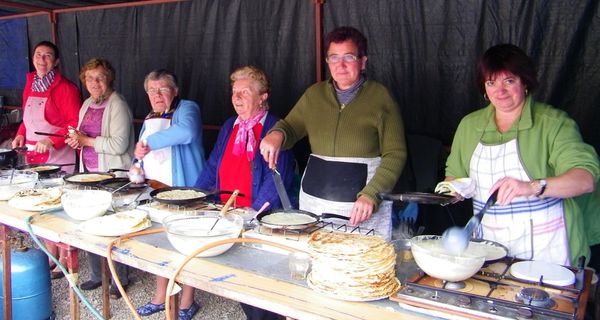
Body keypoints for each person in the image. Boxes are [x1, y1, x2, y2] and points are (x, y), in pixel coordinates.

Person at [443, 44, 600, 266]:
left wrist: (532, 187)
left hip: (549, 250)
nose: (500, 91)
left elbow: (585, 180)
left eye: (509, 81)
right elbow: (454, 177)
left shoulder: (554, 124)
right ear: (484, 89)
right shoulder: (469, 126)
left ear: (525, 83)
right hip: (489, 247)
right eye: (491, 83)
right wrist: (454, 190)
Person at [260, 26, 407, 241]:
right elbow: (290, 127)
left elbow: (395, 154)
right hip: (315, 202)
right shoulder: (314, 95)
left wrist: (371, 194)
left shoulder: (380, 98)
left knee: (363, 265)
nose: (341, 65)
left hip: (361, 206)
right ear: (327, 62)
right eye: (334, 57)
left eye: (349, 56)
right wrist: (277, 134)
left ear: (363, 61)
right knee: (318, 260)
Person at [195, 65, 294, 320]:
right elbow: (213, 164)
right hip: (229, 214)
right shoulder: (231, 125)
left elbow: (278, 175)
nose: (237, 98)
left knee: (263, 286)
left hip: (257, 219)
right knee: (240, 283)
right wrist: (195, 196)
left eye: (245, 92)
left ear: (263, 97)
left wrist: (252, 213)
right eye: (234, 92)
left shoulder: (276, 128)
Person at [135, 69, 205, 320]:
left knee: (187, 244)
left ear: (175, 91)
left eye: (163, 89)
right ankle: (160, 297)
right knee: (160, 243)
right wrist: (136, 164)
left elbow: (186, 132)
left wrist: (147, 145)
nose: (157, 94)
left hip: (185, 190)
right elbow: (141, 149)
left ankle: (187, 302)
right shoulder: (150, 117)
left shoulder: (187, 108)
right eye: (152, 90)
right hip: (156, 189)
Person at [65, 58, 134, 299]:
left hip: (113, 176)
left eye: (100, 77)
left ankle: (120, 279)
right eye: (90, 78)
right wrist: (76, 138)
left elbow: (119, 145)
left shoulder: (118, 104)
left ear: (109, 79)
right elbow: (85, 136)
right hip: (90, 174)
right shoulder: (86, 104)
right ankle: (97, 275)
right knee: (90, 223)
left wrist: (87, 141)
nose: (95, 82)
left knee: (114, 228)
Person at [11, 41, 81, 279]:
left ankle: (63, 257)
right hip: (34, 152)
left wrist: (52, 141)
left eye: (48, 56)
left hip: (58, 154)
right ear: (32, 58)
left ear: (57, 61)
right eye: (38, 55)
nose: (42, 60)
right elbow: (26, 116)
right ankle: (50, 253)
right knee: (40, 205)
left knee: (58, 207)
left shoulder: (66, 88)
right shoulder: (30, 82)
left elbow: (73, 124)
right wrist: (20, 133)